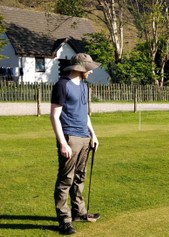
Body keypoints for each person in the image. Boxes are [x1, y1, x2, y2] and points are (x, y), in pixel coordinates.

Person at [50, 53, 101, 235]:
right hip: (70, 137)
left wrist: (93, 135)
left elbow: (85, 113)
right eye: (89, 68)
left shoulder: (84, 86)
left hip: (85, 137)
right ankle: (64, 220)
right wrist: (63, 143)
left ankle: (79, 212)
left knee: (80, 176)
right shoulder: (62, 85)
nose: (91, 72)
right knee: (66, 180)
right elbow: (54, 116)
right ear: (80, 68)